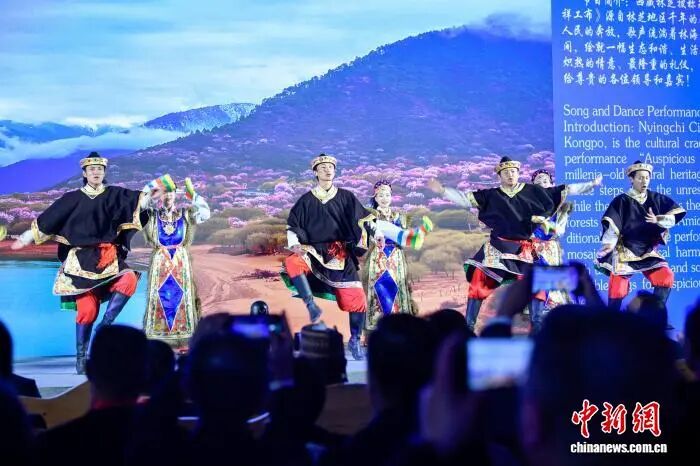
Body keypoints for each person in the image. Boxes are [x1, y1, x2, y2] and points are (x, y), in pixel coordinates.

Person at [11, 152, 169, 373]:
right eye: (92, 169)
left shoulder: (114, 194)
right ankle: (81, 357)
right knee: (87, 310)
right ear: (84, 173)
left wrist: (154, 193)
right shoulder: (71, 198)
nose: (96, 172)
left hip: (108, 257)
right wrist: (26, 237)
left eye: (100, 169)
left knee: (128, 279)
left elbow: (137, 202)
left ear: (104, 172)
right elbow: (50, 219)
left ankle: (104, 327)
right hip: (80, 261)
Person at [428, 157, 558, 332]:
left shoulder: (531, 193)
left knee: (538, 283)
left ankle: (537, 328)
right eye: (506, 172)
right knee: (478, 280)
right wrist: (444, 191)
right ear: (499, 176)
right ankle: (468, 328)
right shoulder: (491, 195)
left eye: (513, 172)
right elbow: (465, 199)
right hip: (498, 247)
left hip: (524, 249)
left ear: (518, 174)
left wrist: (590, 184)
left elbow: (561, 195)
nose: (510, 175)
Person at [281, 154, 378, 361]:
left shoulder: (346, 197)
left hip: (339, 252)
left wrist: (376, 234)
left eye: (330, 167)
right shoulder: (306, 200)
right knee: (292, 261)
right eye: (323, 167)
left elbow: (365, 220)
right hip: (313, 250)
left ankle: (355, 339)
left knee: (357, 299)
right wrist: (295, 244)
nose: (327, 170)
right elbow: (292, 226)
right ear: (315, 172)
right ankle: (311, 305)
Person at [596, 161, 686, 311]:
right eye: (640, 178)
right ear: (631, 179)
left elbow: (674, 214)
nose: (644, 181)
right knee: (618, 286)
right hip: (626, 249)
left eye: (647, 178)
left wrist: (658, 219)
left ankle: (655, 315)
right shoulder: (622, 200)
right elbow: (612, 224)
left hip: (647, 249)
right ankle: (612, 318)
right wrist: (609, 245)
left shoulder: (656, 198)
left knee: (665, 276)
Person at [141, 177, 210, 352]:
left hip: (180, 262)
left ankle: (185, 339)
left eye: (171, 192)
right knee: (159, 297)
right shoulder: (152, 215)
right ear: (160, 195)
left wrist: (193, 195)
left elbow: (205, 214)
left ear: (176, 195)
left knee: (183, 296)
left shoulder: (185, 214)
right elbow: (139, 206)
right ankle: (158, 340)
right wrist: (152, 189)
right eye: (165, 192)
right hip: (160, 262)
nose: (168, 196)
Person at [528, 168, 601, 331]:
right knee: (537, 281)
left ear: (551, 184)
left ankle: (553, 317)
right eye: (538, 182)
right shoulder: (528, 204)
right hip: (532, 247)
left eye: (545, 181)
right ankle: (537, 319)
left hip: (551, 248)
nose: (542, 184)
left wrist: (592, 184)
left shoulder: (560, 205)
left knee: (551, 281)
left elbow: (573, 189)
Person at [363, 180, 429, 331]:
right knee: (379, 287)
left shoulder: (399, 216)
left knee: (398, 287)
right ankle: (378, 328)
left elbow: (403, 237)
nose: (384, 198)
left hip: (396, 256)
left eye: (387, 195)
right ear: (375, 197)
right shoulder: (369, 216)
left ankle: (399, 327)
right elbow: (368, 234)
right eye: (381, 195)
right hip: (378, 256)